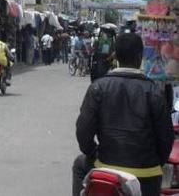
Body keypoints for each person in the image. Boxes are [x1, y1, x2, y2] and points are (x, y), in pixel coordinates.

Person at [72, 33, 174, 196]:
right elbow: (166, 138)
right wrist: (154, 163)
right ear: (140, 57)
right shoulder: (155, 91)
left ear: (116, 56)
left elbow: (83, 132)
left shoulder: (98, 87)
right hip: (147, 177)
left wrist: (94, 153)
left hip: (106, 169)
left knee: (79, 164)